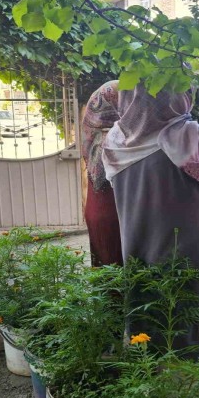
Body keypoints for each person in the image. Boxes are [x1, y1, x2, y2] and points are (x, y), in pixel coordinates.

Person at [101, 84, 199, 349]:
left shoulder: (116, 141)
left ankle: (155, 361)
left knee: (152, 308)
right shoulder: (195, 139)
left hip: (140, 243)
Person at [81, 80, 123, 267]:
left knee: (104, 275)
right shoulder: (123, 140)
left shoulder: (93, 139)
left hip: (96, 211)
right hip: (120, 215)